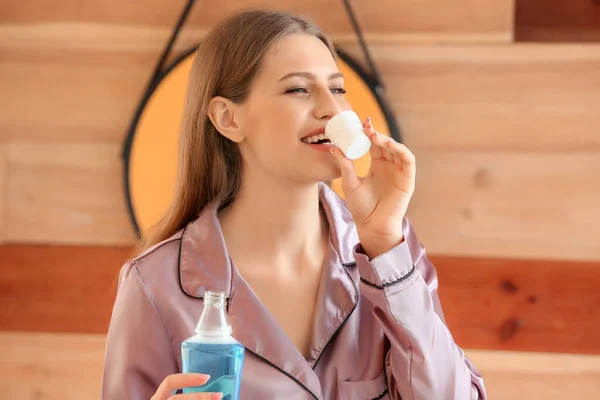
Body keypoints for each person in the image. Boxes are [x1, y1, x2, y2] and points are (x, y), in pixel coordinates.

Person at [102, 8, 487, 400]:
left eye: (337, 89)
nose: (331, 108)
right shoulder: (154, 286)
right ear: (227, 118)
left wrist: (386, 247)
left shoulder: (390, 252)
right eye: (298, 89)